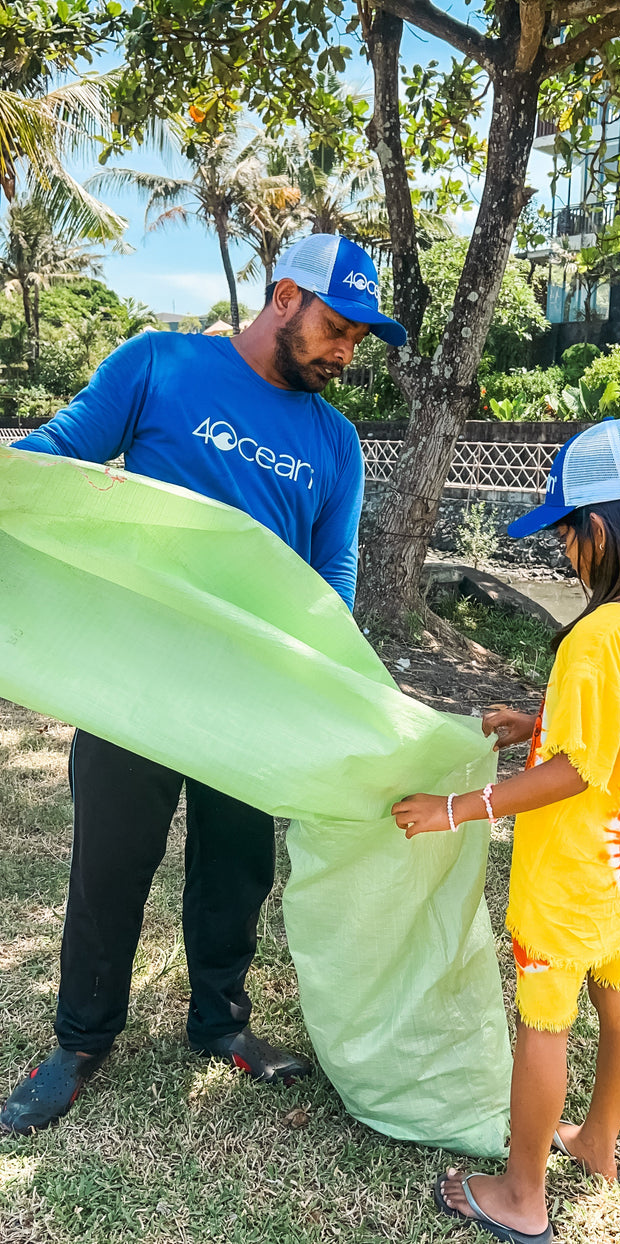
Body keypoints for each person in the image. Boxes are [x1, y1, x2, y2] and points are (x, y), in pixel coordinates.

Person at [1, 233, 407, 1136]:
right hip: (134, 681)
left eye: (357, 340)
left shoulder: (335, 443)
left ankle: (220, 1024)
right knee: (110, 865)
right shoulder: (158, 364)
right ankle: (79, 1040)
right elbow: (53, 457)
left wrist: (343, 687)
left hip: (252, 697)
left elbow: (329, 582)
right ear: (285, 297)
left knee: (236, 871)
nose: (346, 353)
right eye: (338, 329)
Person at [392, 419, 620, 1244]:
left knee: (545, 1022)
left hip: (569, 876)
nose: (564, 552)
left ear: (598, 530)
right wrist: (535, 719)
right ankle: (597, 1144)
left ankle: (521, 1196)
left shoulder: (595, 638)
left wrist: (453, 808)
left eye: (565, 534)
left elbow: (575, 772)